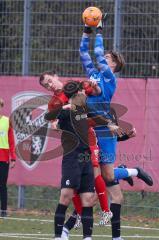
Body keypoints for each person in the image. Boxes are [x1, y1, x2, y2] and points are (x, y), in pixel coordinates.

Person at [79, 16, 153, 186]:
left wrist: (99, 30)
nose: (102, 58)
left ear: (113, 64)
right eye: (104, 56)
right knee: (95, 171)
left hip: (105, 130)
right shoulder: (94, 75)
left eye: (107, 57)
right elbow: (83, 53)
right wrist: (86, 30)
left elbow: (97, 53)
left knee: (109, 176)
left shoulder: (109, 78)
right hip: (91, 127)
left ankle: (135, 171)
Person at [40, 76, 96, 240]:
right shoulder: (65, 111)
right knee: (66, 196)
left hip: (86, 158)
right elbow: (48, 117)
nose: (84, 94)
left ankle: (87, 237)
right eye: (81, 92)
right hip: (72, 158)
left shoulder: (84, 109)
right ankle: (58, 236)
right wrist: (65, 107)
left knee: (88, 199)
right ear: (76, 94)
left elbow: (97, 119)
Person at [0, 98, 16, 217]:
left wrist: (13, 158)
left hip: (3, 158)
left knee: (2, 185)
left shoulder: (6, 121)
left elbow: (11, 141)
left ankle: (3, 211)